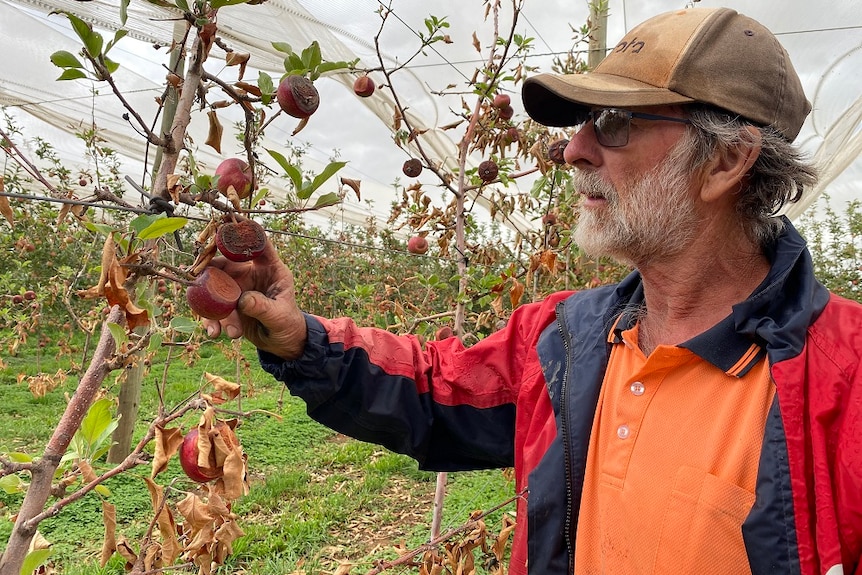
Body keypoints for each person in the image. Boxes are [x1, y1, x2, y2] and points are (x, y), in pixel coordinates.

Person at [203, 7, 862, 575]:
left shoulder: (846, 383)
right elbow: (435, 391)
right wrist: (302, 340)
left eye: (613, 123)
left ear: (724, 161)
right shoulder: (564, 339)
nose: (573, 150)